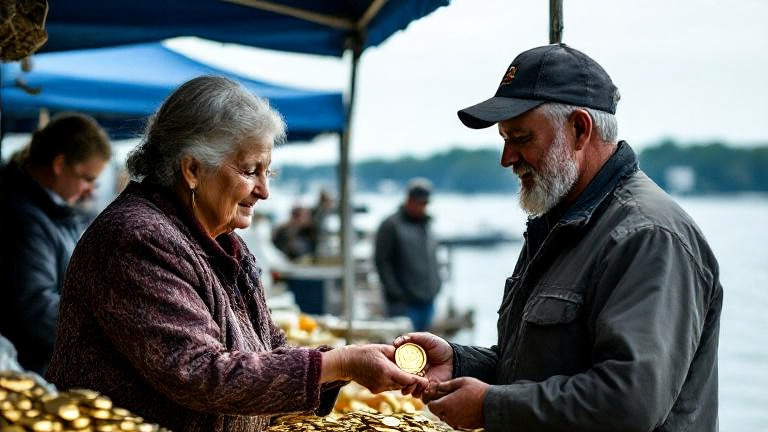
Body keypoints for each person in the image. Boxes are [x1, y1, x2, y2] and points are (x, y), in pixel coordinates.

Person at [46, 76, 427, 432]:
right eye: (250, 171)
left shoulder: (225, 244)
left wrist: (346, 366)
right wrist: (341, 362)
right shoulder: (135, 238)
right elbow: (200, 373)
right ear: (193, 168)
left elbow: (270, 352)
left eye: (268, 173)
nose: (264, 191)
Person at [397, 44, 723, 431]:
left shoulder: (648, 236)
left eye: (520, 137)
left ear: (580, 130)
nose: (507, 158)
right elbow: (539, 365)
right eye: (504, 139)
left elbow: (629, 404)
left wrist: (491, 406)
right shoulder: (561, 221)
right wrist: (461, 361)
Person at [0, 112, 111, 375]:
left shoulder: (56, 211)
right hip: (27, 369)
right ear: (59, 164)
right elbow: (37, 307)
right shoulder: (23, 218)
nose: (91, 190)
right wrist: (103, 331)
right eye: (87, 177)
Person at [374, 178, 441, 331]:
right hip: (403, 304)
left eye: (425, 203)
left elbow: (432, 257)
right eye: (420, 203)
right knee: (403, 348)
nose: (423, 207)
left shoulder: (427, 224)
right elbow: (382, 262)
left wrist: (437, 285)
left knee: (425, 347)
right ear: (409, 200)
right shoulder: (390, 225)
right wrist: (396, 294)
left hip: (428, 299)